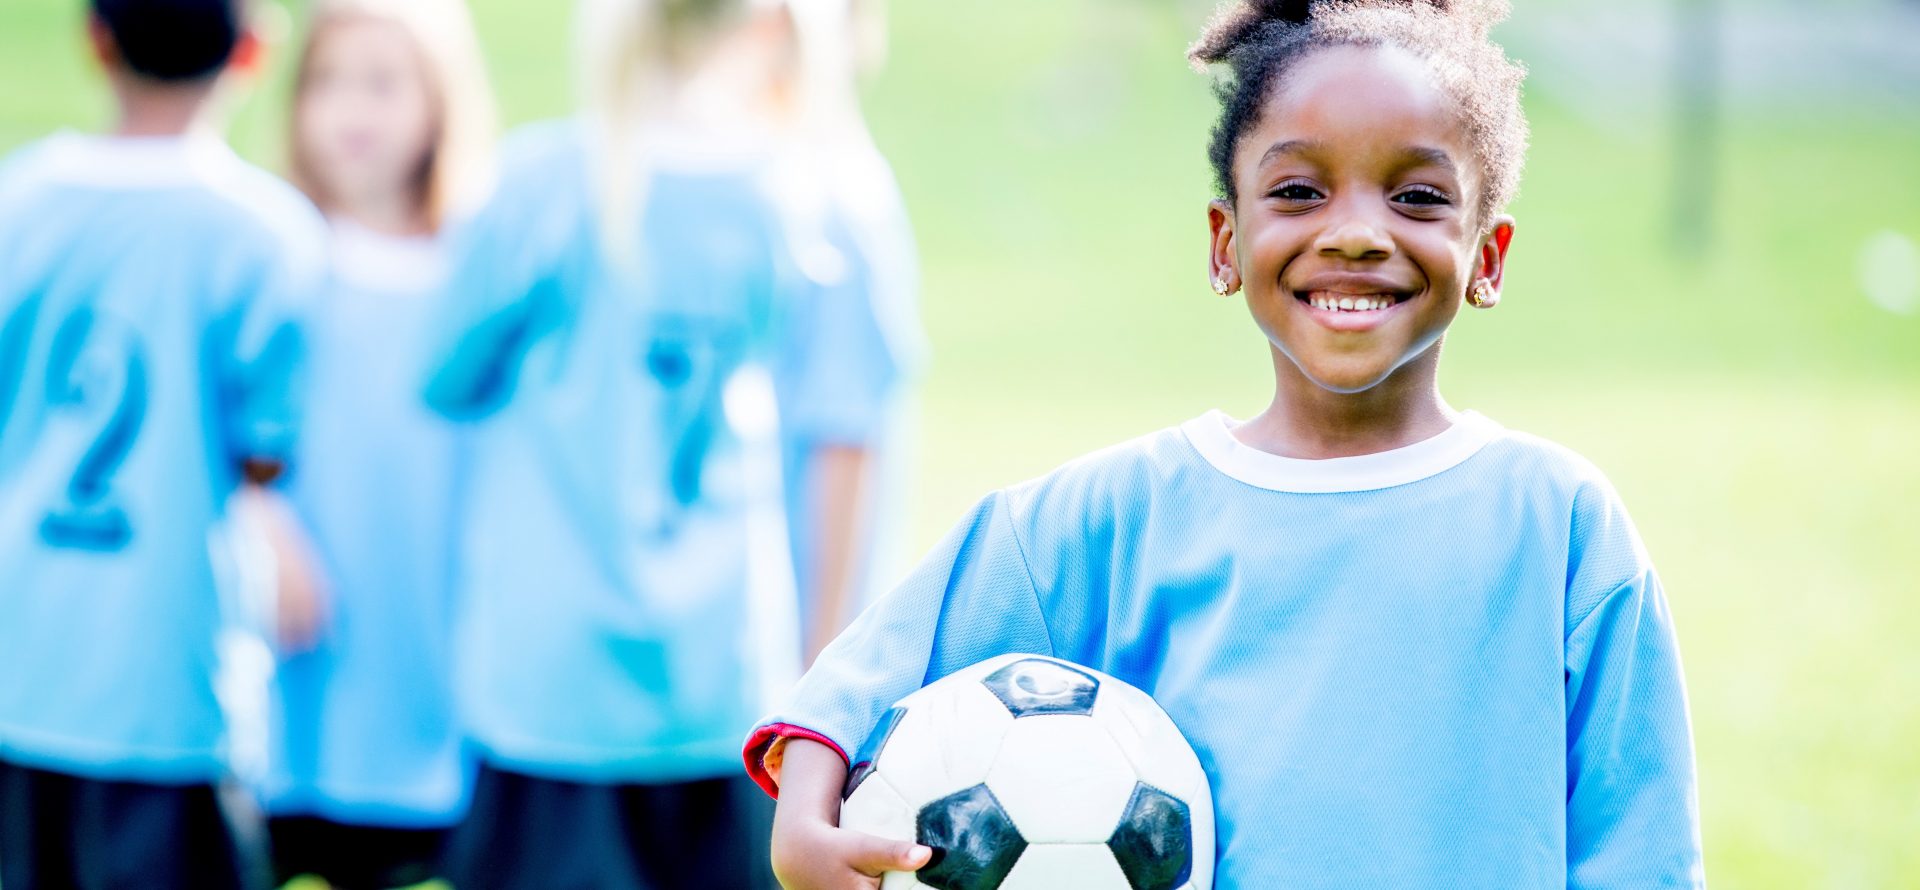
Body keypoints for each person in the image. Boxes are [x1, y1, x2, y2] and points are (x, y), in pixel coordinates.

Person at [746, 1, 1706, 888]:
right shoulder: (1112, 516)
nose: (1360, 234)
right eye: (1298, 190)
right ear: (1225, 242)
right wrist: (805, 815)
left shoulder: (1558, 524)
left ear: (1487, 256)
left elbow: (1642, 845)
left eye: (1416, 198)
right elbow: (869, 671)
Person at [422, 0, 899, 886]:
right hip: (733, 693)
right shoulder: (820, 195)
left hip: (548, 689)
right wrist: (823, 685)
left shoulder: (540, 183)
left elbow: (444, 373)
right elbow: (847, 451)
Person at [0, 0, 324, 886]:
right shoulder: (265, 232)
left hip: (19, 662)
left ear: (95, 41)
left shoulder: (16, 199)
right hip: (169, 678)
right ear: (256, 51)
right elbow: (266, 450)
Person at [254, 0, 495, 886]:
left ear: (440, 101)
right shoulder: (275, 250)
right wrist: (265, 525)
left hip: (430, 611)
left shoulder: (478, 259)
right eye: (328, 83)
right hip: (298, 603)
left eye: (383, 84)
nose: (353, 111)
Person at [752, 0, 927, 663]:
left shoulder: (835, 208)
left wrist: (814, 671)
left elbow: (846, 443)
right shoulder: (770, 191)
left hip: (795, 639)